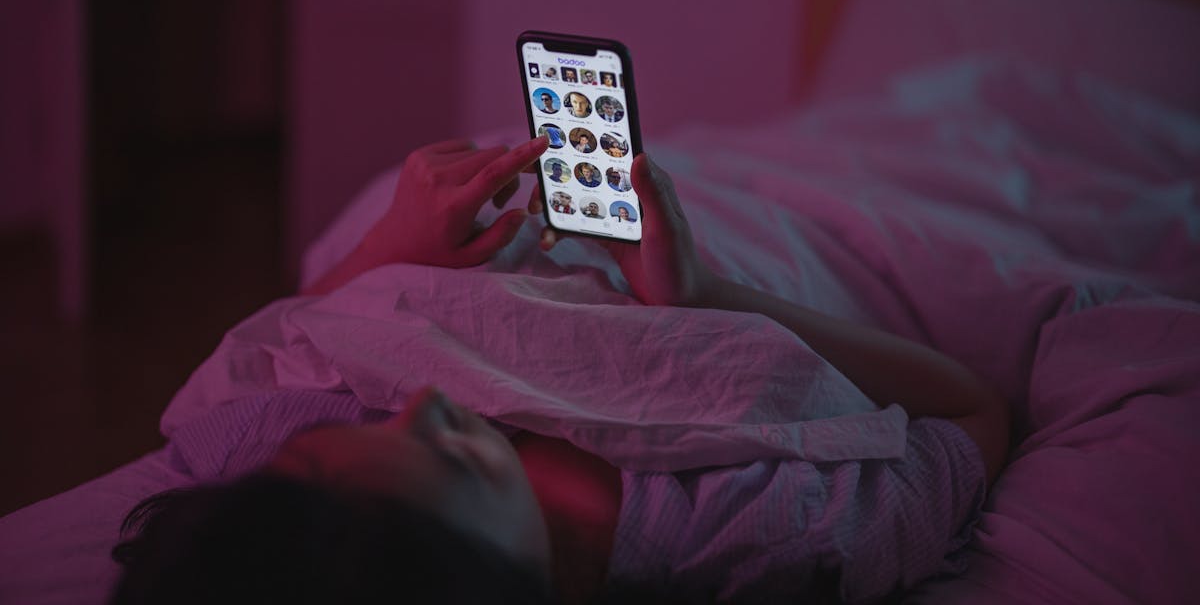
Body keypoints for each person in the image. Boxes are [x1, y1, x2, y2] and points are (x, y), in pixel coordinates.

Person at [109, 135, 1009, 604]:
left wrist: (385, 248)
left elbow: (248, 365)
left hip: (462, 251)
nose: (427, 402)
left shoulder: (258, 491)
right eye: (458, 458)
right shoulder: (775, 535)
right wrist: (703, 295)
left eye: (311, 461)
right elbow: (971, 408)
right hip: (760, 263)